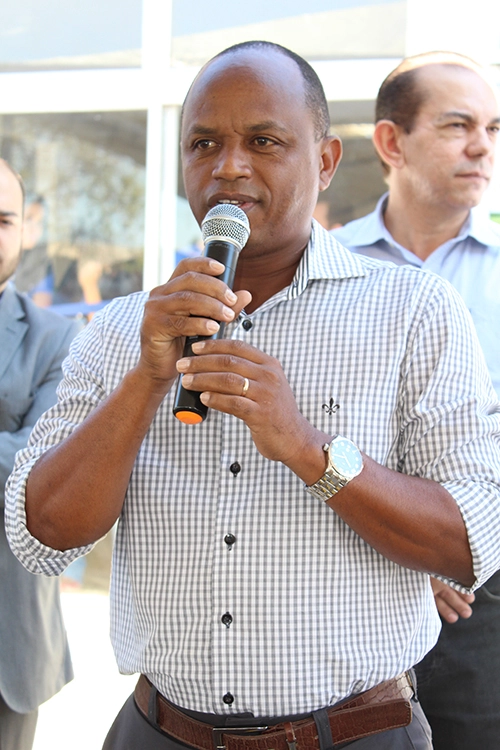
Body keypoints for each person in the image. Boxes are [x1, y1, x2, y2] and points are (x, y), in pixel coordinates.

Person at [5, 42, 500, 750]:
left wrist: (308, 449)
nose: (229, 166)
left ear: (326, 161)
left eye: (263, 141)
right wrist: (146, 380)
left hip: (355, 734)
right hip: (160, 732)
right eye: (203, 144)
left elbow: (474, 543)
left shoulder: (413, 311)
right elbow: (42, 538)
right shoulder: (121, 329)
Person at [332, 51, 500, 749]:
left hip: (481, 598)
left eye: (493, 127)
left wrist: (453, 548)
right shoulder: (328, 269)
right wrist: (405, 549)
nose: (482, 146)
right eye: (458, 125)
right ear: (391, 142)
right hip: (346, 581)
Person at [0, 158, 79, 749]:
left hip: (6, 643)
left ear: (26, 229)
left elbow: (36, 465)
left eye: (2, 220)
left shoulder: (57, 338)